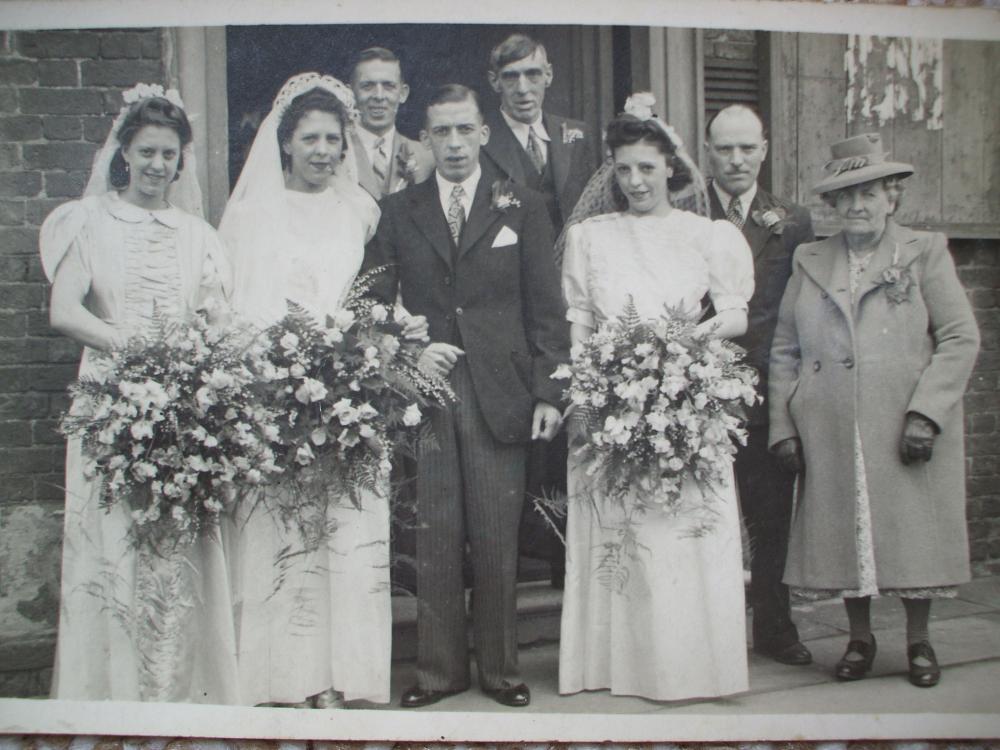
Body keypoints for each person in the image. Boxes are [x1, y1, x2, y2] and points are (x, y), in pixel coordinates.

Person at [219, 73, 424, 707]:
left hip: (346, 392)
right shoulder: (249, 214)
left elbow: (366, 299)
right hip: (275, 391)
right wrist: (274, 377)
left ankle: (345, 677)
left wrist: (365, 357)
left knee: (345, 532)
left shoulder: (360, 210)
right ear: (284, 144)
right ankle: (284, 677)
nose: (323, 151)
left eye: (334, 139)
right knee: (284, 535)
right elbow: (233, 309)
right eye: (309, 139)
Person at [364, 84, 569, 708]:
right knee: (436, 534)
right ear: (424, 139)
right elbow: (368, 302)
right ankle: (438, 673)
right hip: (427, 389)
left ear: (484, 133)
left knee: (496, 534)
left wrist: (550, 394)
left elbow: (548, 310)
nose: (453, 144)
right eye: (440, 132)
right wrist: (404, 354)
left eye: (464, 130)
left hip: (500, 392)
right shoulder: (401, 210)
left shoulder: (524, 206)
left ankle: (502, 671)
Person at [43, 86, 239, 703]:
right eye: (147, 152)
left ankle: (180, 689)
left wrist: (199, 362)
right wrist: (130, 346)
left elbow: (216, 317)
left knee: (181, 537)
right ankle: (113, 689)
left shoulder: (196, 232)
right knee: (114, 537)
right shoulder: (90, 222)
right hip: (112, 398)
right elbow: (63, 311)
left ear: (182, 161)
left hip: (183, 403)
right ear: (124, 152)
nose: (158, 165)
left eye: (169, 154)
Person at [768, 132, 980, 688]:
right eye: (846, 197)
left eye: (870, 193)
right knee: (846, 530)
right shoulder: (809, 259)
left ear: (892, 197)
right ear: (832, 206)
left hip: (900, 422)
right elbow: (785, 349)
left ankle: (920, 642)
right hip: (830, 425)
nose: (858, 206)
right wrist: (783, 425)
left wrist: (926, 413)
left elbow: (960, 338)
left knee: (912, 533)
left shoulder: (923, 252)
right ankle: (859, 640)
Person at [558, 102, 754, 701]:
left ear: (671, 167)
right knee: (620, 532)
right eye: (623, 170)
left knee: (678, 531)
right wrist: (590, 394)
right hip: (612, 399)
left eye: (647, 167)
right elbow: (581, 324)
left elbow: (735, 315)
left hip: (683, 399)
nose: (635, 181)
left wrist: (679, 350)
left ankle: (690, 666)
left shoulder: (708, 236)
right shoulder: (590, 238)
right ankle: (618, 667)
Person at [481, 32, 595, 589]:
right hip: (510, 302)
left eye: (533, 75)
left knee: (569, 421)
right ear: (494, 84)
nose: (523, 88)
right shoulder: (480, 142)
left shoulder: (578, 136)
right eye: (511, 78)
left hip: (571, 299)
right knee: (521, 426)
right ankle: (516, 562)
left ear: (549, 75)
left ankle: (562, 566)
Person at [704, 104, 815, 666]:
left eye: (747, 147)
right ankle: (708, 630)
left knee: (770, 517)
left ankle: (774, 627)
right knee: (702, 518)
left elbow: (798, 315)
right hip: (697, 394)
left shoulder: (792, 222)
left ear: (764, 150)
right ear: (708, 151)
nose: (737, 159)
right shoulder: (687, 213)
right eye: (725, 148)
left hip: (767, 395)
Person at [348, 46, 434, 200]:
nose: (379, 96)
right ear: (351, 94)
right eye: (367, 86)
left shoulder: (427, 157)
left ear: (402, 93)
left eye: (388, 86)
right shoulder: (337, 152)